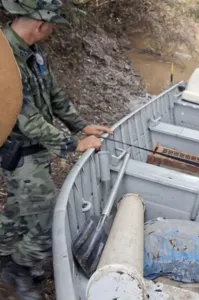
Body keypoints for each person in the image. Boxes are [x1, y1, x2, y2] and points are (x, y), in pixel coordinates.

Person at [0, 0, 113, 298]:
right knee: (46, 214)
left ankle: (3, 255)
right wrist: (74, 144)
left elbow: (54, 92)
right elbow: (29, 120)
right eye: (51, 26)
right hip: (19, 152)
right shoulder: (4, 61)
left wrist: (81, 126)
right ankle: (17, 270)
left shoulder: (33, 52)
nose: (52, 31)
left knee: (18, 209)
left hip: (37, 150)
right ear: (40, 25)